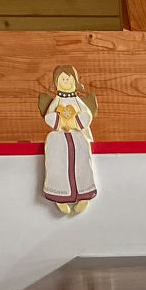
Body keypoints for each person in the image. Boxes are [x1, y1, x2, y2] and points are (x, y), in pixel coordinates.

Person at [41, 66, 96, 215]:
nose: (66, 82)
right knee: (58, 163)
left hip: (77, 136)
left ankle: (84, 193)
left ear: (75, 81)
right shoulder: (56, 101)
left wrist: (75, 122)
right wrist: (60, 122)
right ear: (57, 83)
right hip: (59, 137)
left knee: (82, 162)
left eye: (69, 79)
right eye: (62, 79)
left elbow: (86, 115)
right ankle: (60, 195)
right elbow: (49, 116)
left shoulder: (77, 101)